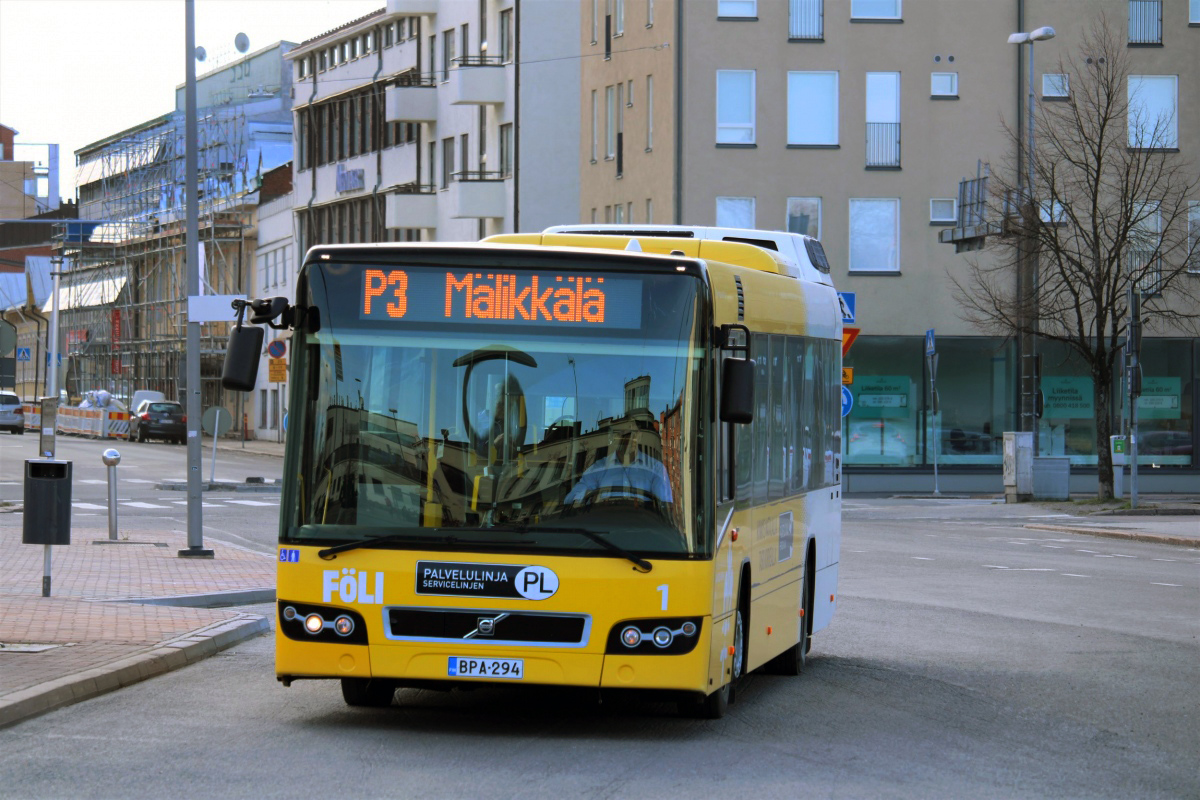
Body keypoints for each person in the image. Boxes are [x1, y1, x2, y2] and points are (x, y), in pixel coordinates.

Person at [565, 431, 673, 506]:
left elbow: (665, 507)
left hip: (643, 531)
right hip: (603, 531)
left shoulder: (655, 469)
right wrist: (584, 497)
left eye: (634, 434)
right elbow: (571, 499)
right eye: (625, 435)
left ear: (639, 436)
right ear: (614, 438)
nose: (630, 439)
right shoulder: (598, 468)